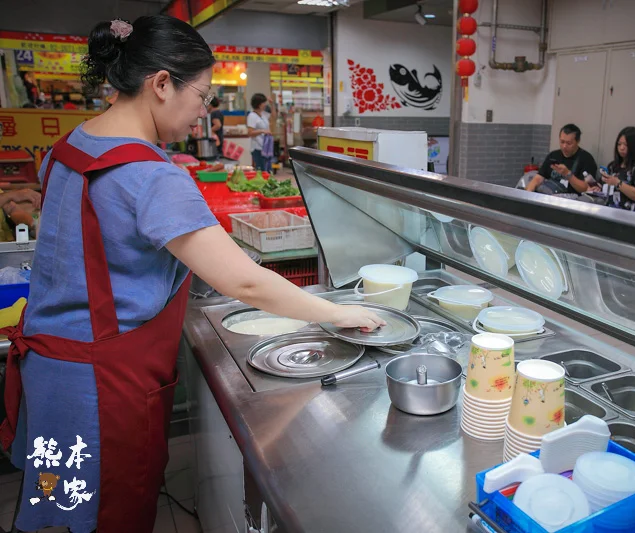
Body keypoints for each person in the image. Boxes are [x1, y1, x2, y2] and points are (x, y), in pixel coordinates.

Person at [0, 16, 383, 533]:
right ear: (161, 84)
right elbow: (243, 281)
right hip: (105, 390)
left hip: (51, 376)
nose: (202, 115)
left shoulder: (68, 148)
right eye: (201, 97)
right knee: (114, 515)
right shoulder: (152, 176)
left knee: (62, 504)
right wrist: (338, 312)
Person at [525, 124, 598, 195]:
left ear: (577, 141)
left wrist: (568, 174)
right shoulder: (553, 155)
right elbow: (538, 178)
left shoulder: (586, 159)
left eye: (569, 143)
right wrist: (528, 194)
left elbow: (586, 188)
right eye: (562, 142)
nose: (564, 146)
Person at [600, 126, 635, 210]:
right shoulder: (613, 166)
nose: (621, 148)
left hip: (626, 213)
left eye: (626, 145)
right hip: (607, 208)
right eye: (619, 144)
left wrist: (617, 183)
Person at [247, 93, 271, 171]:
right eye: (264, 103)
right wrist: (262, 131)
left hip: (265, 147)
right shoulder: (252, 116)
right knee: (261, 170)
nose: (265, 105)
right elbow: (250, 133)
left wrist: (272, 104)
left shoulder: (263, 115)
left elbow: (274, 116)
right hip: (257, 147)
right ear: (259, 104)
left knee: (268, 170)